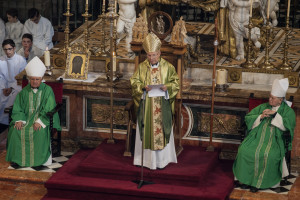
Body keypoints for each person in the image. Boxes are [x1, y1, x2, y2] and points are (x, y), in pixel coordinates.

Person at [233, 78, 296, 192]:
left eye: (273, 98)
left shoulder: (288, 111)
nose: (270, 99)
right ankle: (247, 181)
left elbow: (289, 126)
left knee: (268, 154)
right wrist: (260, 117)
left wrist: (275, 115)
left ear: (280, 100)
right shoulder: (263, 107)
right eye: (270, 97)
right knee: (244, 150)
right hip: (256, 137)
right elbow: (248, 118)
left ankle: (260, 183)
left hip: (275, 140)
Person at [130, 33, 180, 170]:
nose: (151, 58)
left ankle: (162, 160)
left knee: (161, 130)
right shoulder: (142, 67)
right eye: (149, 55)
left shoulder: (168, 67)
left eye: (154, 55)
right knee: (147, 130)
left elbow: (175, 83)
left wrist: (167, 87)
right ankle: (146, 161)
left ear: (159, 53)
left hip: (162, 106)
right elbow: (134, 81)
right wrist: (142, 87)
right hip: (146, 106)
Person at [6, 56, 61, 167]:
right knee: (15, 130)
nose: (35, 82)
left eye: (37, 79)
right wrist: (19, 119)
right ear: (29, 79)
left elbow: (50, 108)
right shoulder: (24, 92)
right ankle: (17, 159)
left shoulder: (48, 90)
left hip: (41, 120)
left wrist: (40, 121)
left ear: (41, 79)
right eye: (32, 79)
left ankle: (39, 160)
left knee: (39, 131)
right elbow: (18, 107)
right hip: (26, 119)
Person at [0, 39, 27, 125]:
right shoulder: (1, 60)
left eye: (9, 49)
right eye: (5, 49)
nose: (7, 52)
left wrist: (11, 88)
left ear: (14, 48)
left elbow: (22, 77)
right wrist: (3, 87)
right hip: (4, 86)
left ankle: (9, 122)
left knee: (14, 96)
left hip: (17, 85)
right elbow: (1, 76)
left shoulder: (21, 60)